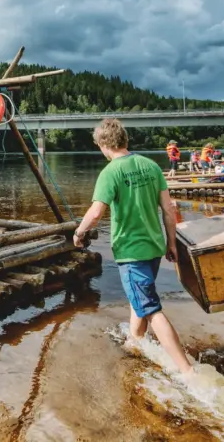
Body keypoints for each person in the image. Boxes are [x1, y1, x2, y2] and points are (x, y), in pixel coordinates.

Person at [73, 118, 193, 374]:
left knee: (150, 309)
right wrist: (171, 243)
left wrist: (79, 232)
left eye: (99, 147)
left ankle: (187, 371)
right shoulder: (151, 166)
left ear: (104, 145)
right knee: (138, 299)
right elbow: (169, 211)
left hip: (131, 252)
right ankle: (135, 343)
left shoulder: (110, 172)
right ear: (125, 140)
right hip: (154, 247)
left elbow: (95, 213)